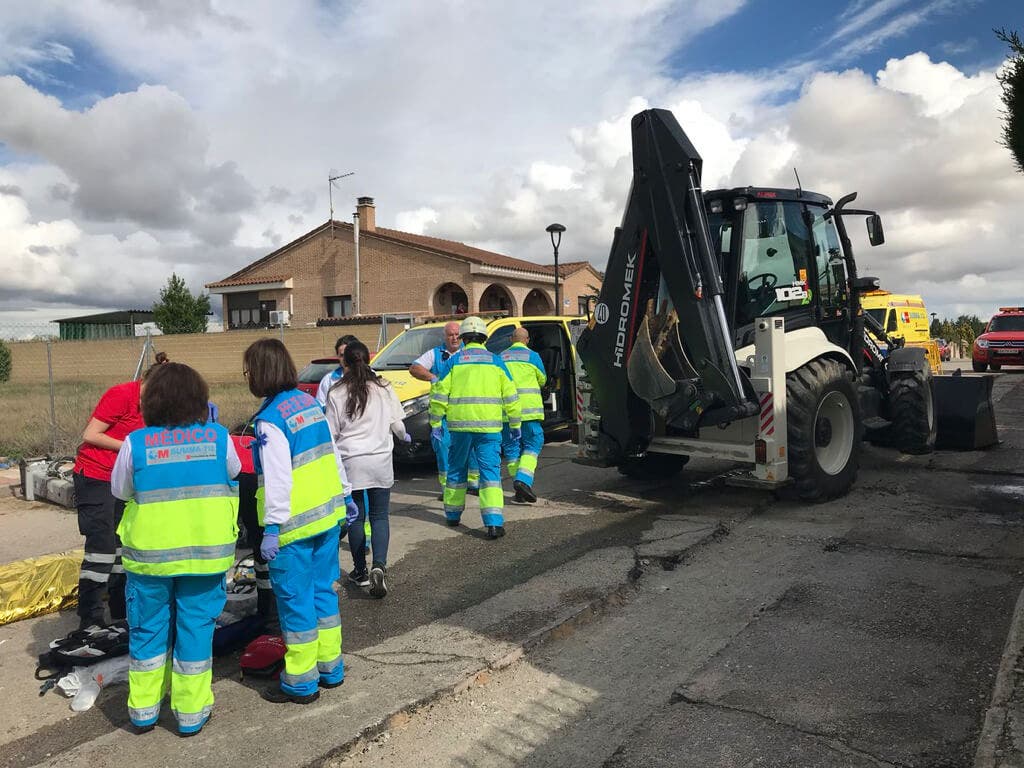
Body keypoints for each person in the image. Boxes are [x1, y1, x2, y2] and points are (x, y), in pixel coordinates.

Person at [110, 363, 241, 736]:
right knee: (195, 630)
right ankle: (190, 713)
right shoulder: (218, 437)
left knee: (148, 631)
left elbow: (120, 490)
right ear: (200, 400)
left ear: (151, 402)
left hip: (150, 559)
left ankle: (143, 711)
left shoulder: (136, 442)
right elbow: (232, 472)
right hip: (204, 555)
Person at [244, 338, 356, 705]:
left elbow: (277, 479)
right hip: (326, 518)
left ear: (259, 372)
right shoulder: (309, 405)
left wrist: (272, 528)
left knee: (294, 603)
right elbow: (332, 454)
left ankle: (300, 681)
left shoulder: (270, 420)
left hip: (292, 527)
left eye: (248, 370)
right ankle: (331, 668)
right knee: (324, 593)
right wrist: (346, 494)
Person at [325, 341, 409, 599]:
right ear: (369, 360)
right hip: (381, 460)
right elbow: (398, 426)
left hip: (351, 462)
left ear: (344, 363)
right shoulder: (384, 387)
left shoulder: (336, 393)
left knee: (356, 518)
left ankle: (360, 571)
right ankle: (379, 565)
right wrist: (405, 438)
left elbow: (331, 433)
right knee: (380, 516)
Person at [429, 316, 521, 539]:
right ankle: (494, 522)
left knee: (456, 469)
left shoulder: (454, 361)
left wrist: (435, 422)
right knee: (489, 473)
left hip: (459, 428)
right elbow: (511, 395)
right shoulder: (496, 361)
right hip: (489, 429)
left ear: (463, 338)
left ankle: (452, 515)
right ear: (484, 338)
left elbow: (439, 395)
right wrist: (515, 423)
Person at [71, 372, 147, 629]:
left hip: (122, 480)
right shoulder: (121, 395)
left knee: (122, 546)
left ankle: (120, 611)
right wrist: (129, 446)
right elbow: (91, 434)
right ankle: (90, 617)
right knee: (101, 548)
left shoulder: (156, 405)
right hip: (95, 476)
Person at [409, 322, 462, 498]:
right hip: (443, 414)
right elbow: (415, 367)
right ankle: (448, 489)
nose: (454, 338)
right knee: (443, 448)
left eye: (457, 334)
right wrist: (432, 377)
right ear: (445, 337)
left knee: (469, 449)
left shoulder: (467, 352)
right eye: (450, 335)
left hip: (465, 413)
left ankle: (473, 483)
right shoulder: (436, 353)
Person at [500, 327, 547, 504]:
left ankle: (519, 489)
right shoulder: (533, 356)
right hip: (529, 412)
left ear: (512, 339)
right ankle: (523, 480)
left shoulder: (501, 357)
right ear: (527, 340)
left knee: (511, 448)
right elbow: (542, 379)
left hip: (506, 412)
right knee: (533, 442)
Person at [316, 334, 359, 408]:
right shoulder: (329, 380)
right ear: (338, 357)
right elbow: (320, 407)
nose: (346, 359)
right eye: (342, 355)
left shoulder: (371, 376)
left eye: (348, 354)